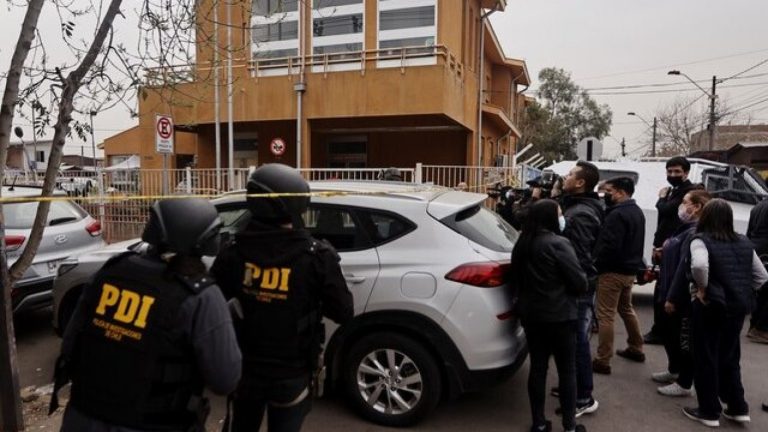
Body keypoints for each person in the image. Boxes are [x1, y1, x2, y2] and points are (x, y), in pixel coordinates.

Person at [51, 198, 242, 432]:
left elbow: (69, 347)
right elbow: (225, 380)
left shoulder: (111, 271)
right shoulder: (201, 295)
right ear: (205, 240)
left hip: (82, 418)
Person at [212, 163, 354, 432]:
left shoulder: (233, 251)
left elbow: (213, 306)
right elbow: (344, 312)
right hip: (292, 373)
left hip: (245, 371)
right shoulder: (316, 256)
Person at [683, 198, 768, 427]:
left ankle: (709, 410)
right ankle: (738, 407)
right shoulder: (743, 242)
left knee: (705, 357)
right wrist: (743, 290)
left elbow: (699, 266)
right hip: (737, 309)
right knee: (730, 357)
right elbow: (762, 277)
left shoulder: (699, 240)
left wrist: (702, 288)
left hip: (709, 306)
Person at [510, 199, 588, 432]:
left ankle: (539, 423)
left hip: (531, 316)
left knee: (538, 368)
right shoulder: (559, 243)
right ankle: (570, 427)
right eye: (559, 213)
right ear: (550, 218)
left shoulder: (522, 243)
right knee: (567, 371)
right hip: (561, 317)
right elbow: (579, 282)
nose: (562, 217)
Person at [556, 160, 603, 417]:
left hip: (578, 288)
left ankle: (583, 397)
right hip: (579, 286)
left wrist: (572, 284)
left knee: (577, 342)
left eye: (571, 174)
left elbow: (579, 257)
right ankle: (572, 387)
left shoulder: (582, 213)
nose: (566, 177)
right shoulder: (576, 206)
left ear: (581, 182)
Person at [654, 189, 711, 398]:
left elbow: (683, 269)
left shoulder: (694, 232)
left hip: (679, 296)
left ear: (696, 207)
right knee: (669, 334)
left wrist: (672, 297)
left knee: (683, 339)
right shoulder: (683, 228)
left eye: (685, 202)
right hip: (667, 288)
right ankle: (674, 370)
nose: (681, 205)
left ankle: (684, 382)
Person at [592, 177, 646, 374]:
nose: (606, 195)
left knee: (605, 315)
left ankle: (603, 360)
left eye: (609, 191)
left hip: (612, 271)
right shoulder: (636, 211)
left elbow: (609, 246)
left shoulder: (616, 215)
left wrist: (597, 264)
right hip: (629, 271)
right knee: (626, 309)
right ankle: (636, 346)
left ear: (621, 192)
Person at [645, 156, 697, 345]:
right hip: (664, 245)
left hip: (674, 247)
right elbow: (663, 221)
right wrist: (656, 244)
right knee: (660, 290)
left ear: (686, 172)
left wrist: (660, 199)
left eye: (677, 171)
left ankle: (663, 332)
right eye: (669, 171)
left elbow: (668, 211)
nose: (672, 175)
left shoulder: (689, 191)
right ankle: (660, 329)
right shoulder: (673, 191)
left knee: (667, 291)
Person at [746, 197, 768, 343]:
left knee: (761, 291)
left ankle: (755, 326)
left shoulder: (758, 205)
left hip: (755, 248)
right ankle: (761, 329)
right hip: (766, 249)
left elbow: (750, 231)